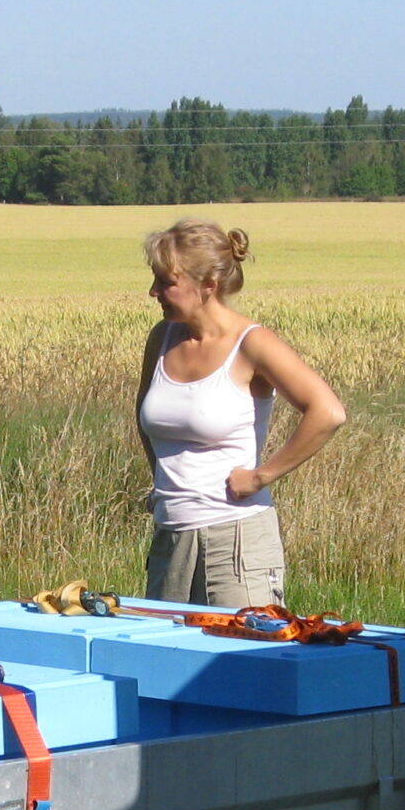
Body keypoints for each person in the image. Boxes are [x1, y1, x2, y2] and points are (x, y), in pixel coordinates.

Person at [135, 219, 346, 607]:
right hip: (169, 539)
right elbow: (143, 417)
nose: (153, 292)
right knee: (168, 663)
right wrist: (163, 484)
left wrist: (260, 477)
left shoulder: (252, 343)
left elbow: (327, 411)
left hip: (235, 545)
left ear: (208, 286)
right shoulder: (161, 338)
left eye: (165, 282)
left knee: (242, 660)